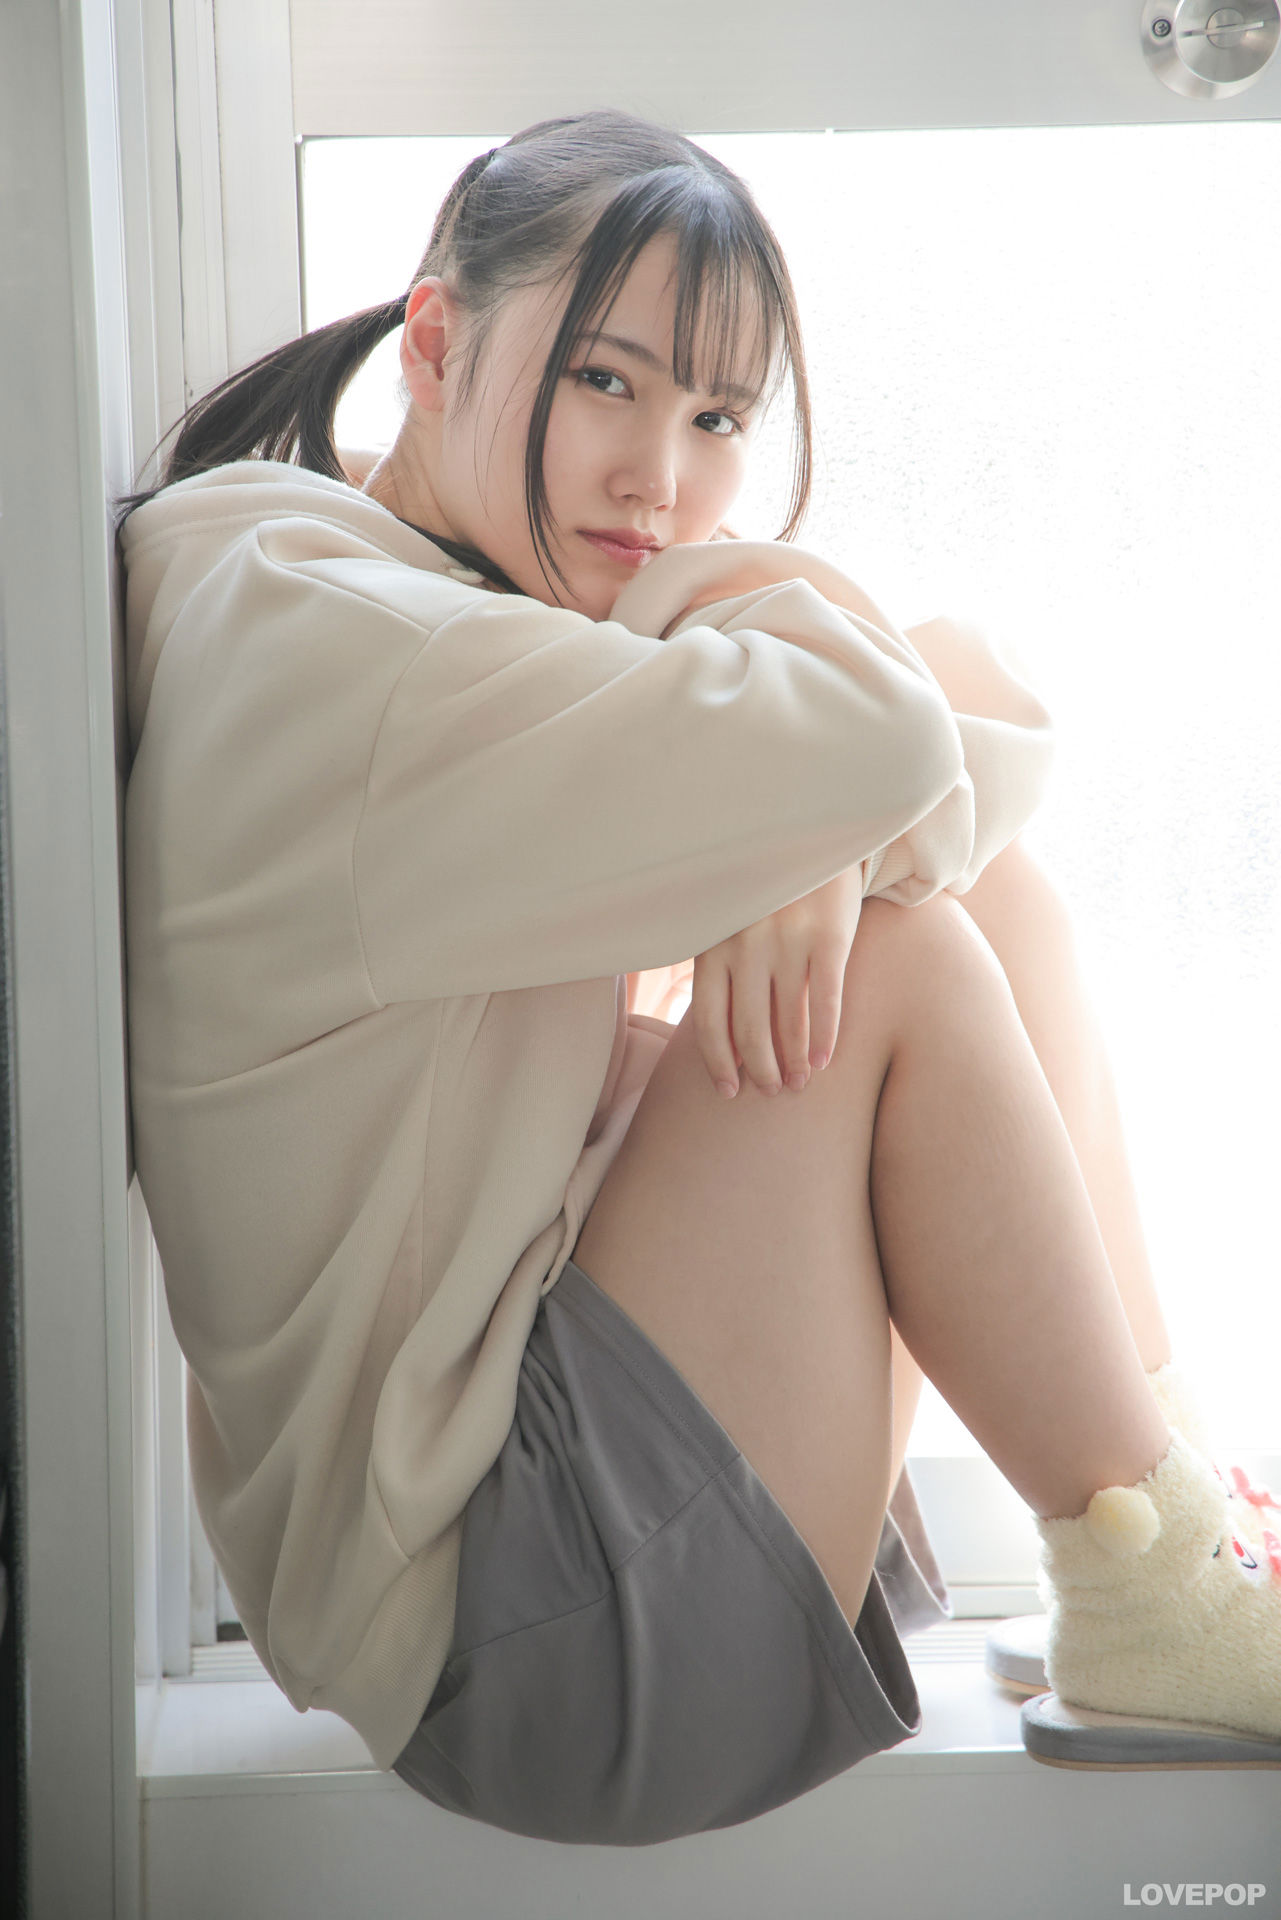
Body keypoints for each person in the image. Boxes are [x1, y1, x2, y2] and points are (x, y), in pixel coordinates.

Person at [118, 107, 1281, 1848]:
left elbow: (974, 711)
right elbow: (892, 731)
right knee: (898, 956)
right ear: (432, 340)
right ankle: (1159, 1592)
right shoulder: (356, 655)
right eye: (605, 381)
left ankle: (1173, 1541)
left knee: (976, 892)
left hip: (523, 1508)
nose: (657, 480)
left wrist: (804, 838)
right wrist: (797, 806)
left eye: (718, 419)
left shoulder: (374, 582)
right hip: (515, 1629)